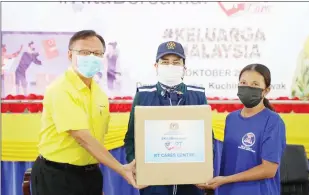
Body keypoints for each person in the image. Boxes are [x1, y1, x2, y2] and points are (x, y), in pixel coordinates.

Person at [30, 30, 139, 195]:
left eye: (96, 53)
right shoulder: (61, 89)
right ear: (69, 55)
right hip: (58, 176)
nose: (91, 57)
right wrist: (121, 169)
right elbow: (83, 137)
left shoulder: (99, 94)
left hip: (90, 174)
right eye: (84, 52)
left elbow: (98, 137)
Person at [124, 41, 212, 195]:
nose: (170, 66)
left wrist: (204, 172)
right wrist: (138, 169)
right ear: (156, 66)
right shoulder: (144, 95)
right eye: (165, 62)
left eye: (176, 62)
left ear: (184, 68)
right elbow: (131, 138)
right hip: (154, 186)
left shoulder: (197, 95)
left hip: (190, 185)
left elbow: (207, 140)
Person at [197, 64, 286, 195]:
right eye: (243, 82)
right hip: (227, 190)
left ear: (266, 90)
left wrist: (226, 180)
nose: (248, 87)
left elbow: (269, 169)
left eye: (255, 84)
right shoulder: (231, 119)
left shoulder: (273, 121)